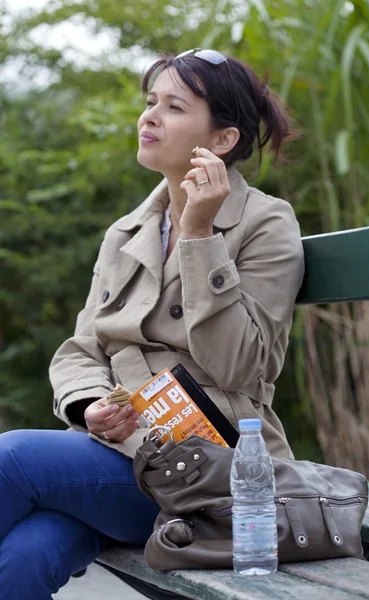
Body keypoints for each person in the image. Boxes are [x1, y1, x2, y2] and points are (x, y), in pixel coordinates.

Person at [0, 49, 304, 598]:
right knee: (24, 557)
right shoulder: (126, 231)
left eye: (173, 106)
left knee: (13, 459)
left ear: (221, 141)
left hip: (210, 468)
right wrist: (88, 404)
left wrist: (199, 235)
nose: (149, 116)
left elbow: (239, 366)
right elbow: (79, 349)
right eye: (149, 102)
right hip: (117, 454)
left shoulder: (265, 223)